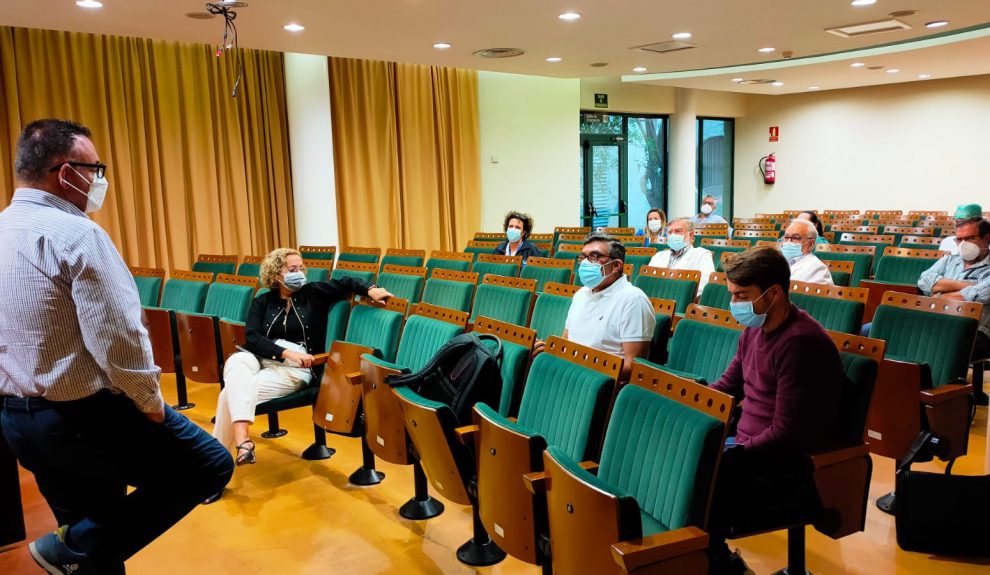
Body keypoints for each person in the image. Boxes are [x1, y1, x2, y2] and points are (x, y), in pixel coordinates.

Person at [0, 119, 234, 575]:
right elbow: (119, 339)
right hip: (82, 416)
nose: (100, 180)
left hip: (17, 419)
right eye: (95, 168)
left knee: (96, 536)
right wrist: (151, 403)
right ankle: (66, 550)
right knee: (208, 465)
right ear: (66, 173)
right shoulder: (78, 234)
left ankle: (75, 550)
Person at [707, 247, 843, 574]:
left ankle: (722, 564)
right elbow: (727, 385)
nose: (734, 303)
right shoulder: (754, 329)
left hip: (786, 466)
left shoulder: (799, 342)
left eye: (742, 295)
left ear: (775, 293)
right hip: (750, 449)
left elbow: (786, 434)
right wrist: (686, 409)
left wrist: (731, 451)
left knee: (698, 487)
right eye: (732, 294)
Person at [212, 248, 393, 471]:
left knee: (228, 395)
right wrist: (285, 352)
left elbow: (347, 282)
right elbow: (252, 337)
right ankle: (242, 443)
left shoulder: (314, 293)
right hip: (261, 358)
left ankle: (219, 467)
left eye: (301, 268)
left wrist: (371, 290)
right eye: (292, 269)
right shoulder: (263, 301)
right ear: (277, 275)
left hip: (297, 367)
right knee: (236, 362)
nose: (300, 273)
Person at [561, 233, 655, 381]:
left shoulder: (634, 300)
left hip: (601, 382)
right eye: (583, 257)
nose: (585, 263)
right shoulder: (580, 294)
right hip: (570, 374)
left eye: (594, 256)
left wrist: (583, 372)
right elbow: (565, 341)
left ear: (616, 265)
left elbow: (634, 367)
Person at [917, 218, 990, 405]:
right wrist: (968, 285)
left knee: (935, 345)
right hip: (935, 321)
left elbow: (975, 298)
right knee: (871, 330)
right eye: (959, 239)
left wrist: (940, 293)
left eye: (971, 238)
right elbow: (924, 281)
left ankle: (943, 404)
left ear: (986, 238)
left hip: (976, 330)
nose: (963, 244)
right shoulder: (949, 260)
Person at [647, 217, 716, 295]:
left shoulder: (702, 255)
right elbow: (648, 282)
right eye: (670, 232)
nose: (673, 235)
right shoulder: (658, 256)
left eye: (678, 231)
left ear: (691, 235)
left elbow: (704, 286)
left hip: (683, 301)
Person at [781, 218, 833, 285]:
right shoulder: (777, 262)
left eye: (796, 238)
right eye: (786, 237)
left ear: (810, 244)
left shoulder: (818, 269)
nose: (788, 242)